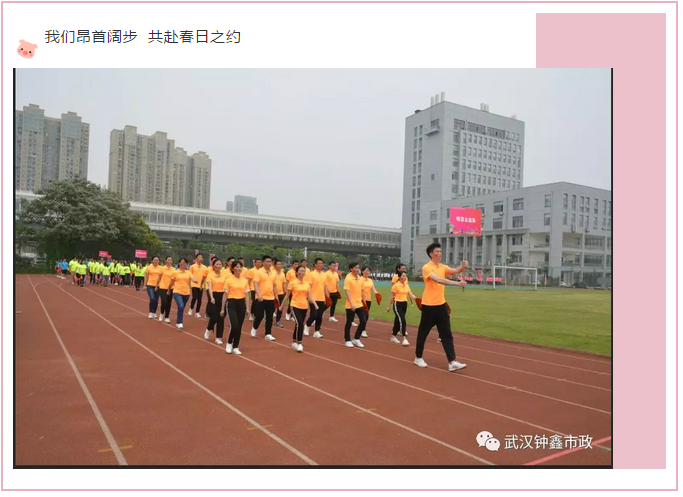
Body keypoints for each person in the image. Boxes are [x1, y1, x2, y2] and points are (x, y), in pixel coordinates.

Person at [414, 242, 468, 372]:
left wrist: (463, 266)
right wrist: (457, 284)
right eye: (437, 251)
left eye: (440, 251)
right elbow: (438, 280)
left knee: (446, 333)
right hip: (428, 306)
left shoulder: (443, 267)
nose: (440, 253)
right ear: (431, 254)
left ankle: (452, 362)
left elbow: (456, 271)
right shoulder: (427, 268)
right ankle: (418, 357)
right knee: (423, 333)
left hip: (441, 305)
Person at [282, 265, 318, 353]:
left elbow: (310, 295)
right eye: (301, 271)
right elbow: (287, 295)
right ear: (297, 272)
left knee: (298, 324)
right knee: (300, 324)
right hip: (294, 305)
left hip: (304, 306)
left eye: (303, 271)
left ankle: (294, 341)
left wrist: (315, 304)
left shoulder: (307, 284)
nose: (302, 272)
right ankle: (299, 343)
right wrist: (282, 305)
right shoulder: (293, 283)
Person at [224, 261, 250, 355]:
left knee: (239, 327)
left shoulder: (244, 280)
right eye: (237, 267)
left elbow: (247, 295)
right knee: (234, 325)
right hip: (231, 303)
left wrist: (248, 308)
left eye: (240, 267)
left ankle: (236, 346)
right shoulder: (229, 280)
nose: (239, 269)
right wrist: (222, 308)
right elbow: (225, 295)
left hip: (241, 304)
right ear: (232, 268)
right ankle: (229, 343)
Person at [250, 255, 278, 341]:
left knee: (270, 316)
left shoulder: (274, 273)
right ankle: (254, 327)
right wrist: (258, 295)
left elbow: (274, 285)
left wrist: (276, 297)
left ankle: (268, 333)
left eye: (270, 262)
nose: (269, 263)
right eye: (267, 261)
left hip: (270, 297)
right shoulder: (259, 272)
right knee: (260, 315)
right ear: (263, 262)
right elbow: (255, 284)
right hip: (261, 297)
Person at [386, 271, 416, 346]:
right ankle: (404, 338)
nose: (404, 277)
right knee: (402, 321)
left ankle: (393, 336)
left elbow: (411, 295)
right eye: (403, 276)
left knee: (397, 321)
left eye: (405, 276)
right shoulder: (395, 286)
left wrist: (418, 300)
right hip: (397, 304)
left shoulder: (406, 285)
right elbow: (392, 297)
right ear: (399, 277)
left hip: (404, 304)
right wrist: (388, 306)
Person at [204, 258, 230, 344]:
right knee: (215, 316)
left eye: (220, 264)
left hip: (223, 296)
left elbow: (227, 286)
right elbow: (210, 287)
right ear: (213, 265)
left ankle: (219, 337)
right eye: (217, 264)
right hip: (214, 296)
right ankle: (209, 328)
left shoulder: (225, 274)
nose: (219, 266)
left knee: (221, 318)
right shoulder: (210, 275)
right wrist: (211, 297)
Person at [168, 258, 197, 330]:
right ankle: (180, 323)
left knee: (181, 308)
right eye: (182, 262)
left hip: (186, 293)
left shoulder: (188, 272)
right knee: (181, 306)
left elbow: (192, 277)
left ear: (187, 264)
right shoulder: (175, 272)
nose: (183, 264)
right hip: (177, 292)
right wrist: (168, 290)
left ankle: (178, 322)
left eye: (185, 263)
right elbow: (171, 282)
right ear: (179, 263)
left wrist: (194, 280)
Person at [343, 262, 367, 348]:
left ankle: (356, 338)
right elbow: (347, 291)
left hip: (359, 303)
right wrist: (351, 303)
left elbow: (362, 291)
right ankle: (347, 340)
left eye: (358, 268)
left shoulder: (360, 278)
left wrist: (364, 302)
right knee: (349, 322)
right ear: (351, 269)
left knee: (363, 321)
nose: (357, 269)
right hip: (350, 304)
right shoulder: (348, 278)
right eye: (355, 268)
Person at [304, 258, 328, 339]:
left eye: (322, 263)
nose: (321, 265)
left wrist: (327, 297)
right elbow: (309, 287)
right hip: (313, 298)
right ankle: (307, 326)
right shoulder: (311, 274)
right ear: (315, 264)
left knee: (320, 316)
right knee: (314, 314)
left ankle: (317, 331)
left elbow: (325, 287)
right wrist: (309, 297)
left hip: (321, 298)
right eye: (319, 263)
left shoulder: (324, 274)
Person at [360, 266, 380, 338]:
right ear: (362, 271)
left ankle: (362, 328)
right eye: (366, 270)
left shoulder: (370, 280)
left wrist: (377, 294)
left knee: (366, 315)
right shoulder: (360, 279)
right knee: (364, 315)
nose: (367, 272)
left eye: (368, 270)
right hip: (361, 300)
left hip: (368, 299)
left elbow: (373, 288)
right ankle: (363, 330)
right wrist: (363, 300)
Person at [188, 254, 209, 318]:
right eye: (199, 257)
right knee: (194, 297)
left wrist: (203, 284)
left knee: (200, 299)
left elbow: (205, 276)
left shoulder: (205, 267)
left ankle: (197, 312)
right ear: (196, 258)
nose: (200, 258)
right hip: (194, 284)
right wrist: (189, 283)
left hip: (201, 285)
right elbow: (189, 275)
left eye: (201, 257)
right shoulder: (192, 266)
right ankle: (191, 309)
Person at [157, 256, 176, 323]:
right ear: (166, 261)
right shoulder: (162, 268)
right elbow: (159, 278)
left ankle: (167, 316)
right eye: (168, 260)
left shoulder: (174, 269)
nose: (169, 261)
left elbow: (175, 279)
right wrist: (156, 286)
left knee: (169, 303)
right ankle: (162, 314)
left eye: (171, 260)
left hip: (171, 288)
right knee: (164, 302)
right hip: (162, 287)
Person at [274, 259, 287, 328]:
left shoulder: (282, 274)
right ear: (275, 265)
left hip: (281, 293)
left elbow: (284, 284)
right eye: (278, 264)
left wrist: (285, 292)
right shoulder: (272, 273)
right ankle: (267, 317)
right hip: (273, 294)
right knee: (272, 308)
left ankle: (278, 321)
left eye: (280, 264)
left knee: (280, 308)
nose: (279, 265)